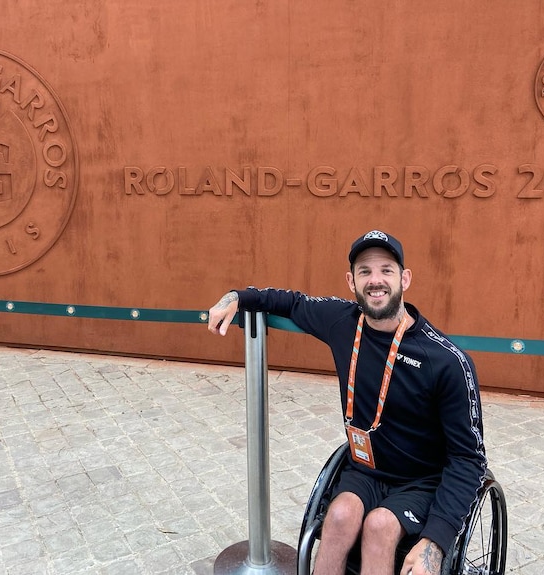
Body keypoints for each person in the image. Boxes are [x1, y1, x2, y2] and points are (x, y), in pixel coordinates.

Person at [207, 230, 487, 575]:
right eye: (365, 271)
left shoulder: (446, 361)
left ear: (405, 278)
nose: (376, 280)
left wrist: (436, 540)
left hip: (423, 479)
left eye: (386, 269)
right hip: (365, 468)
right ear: (351, 280)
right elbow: (289, 302)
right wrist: (236, 296)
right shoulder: (343, 321)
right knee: (338, 517)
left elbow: (469, 459)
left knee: (380, 526)